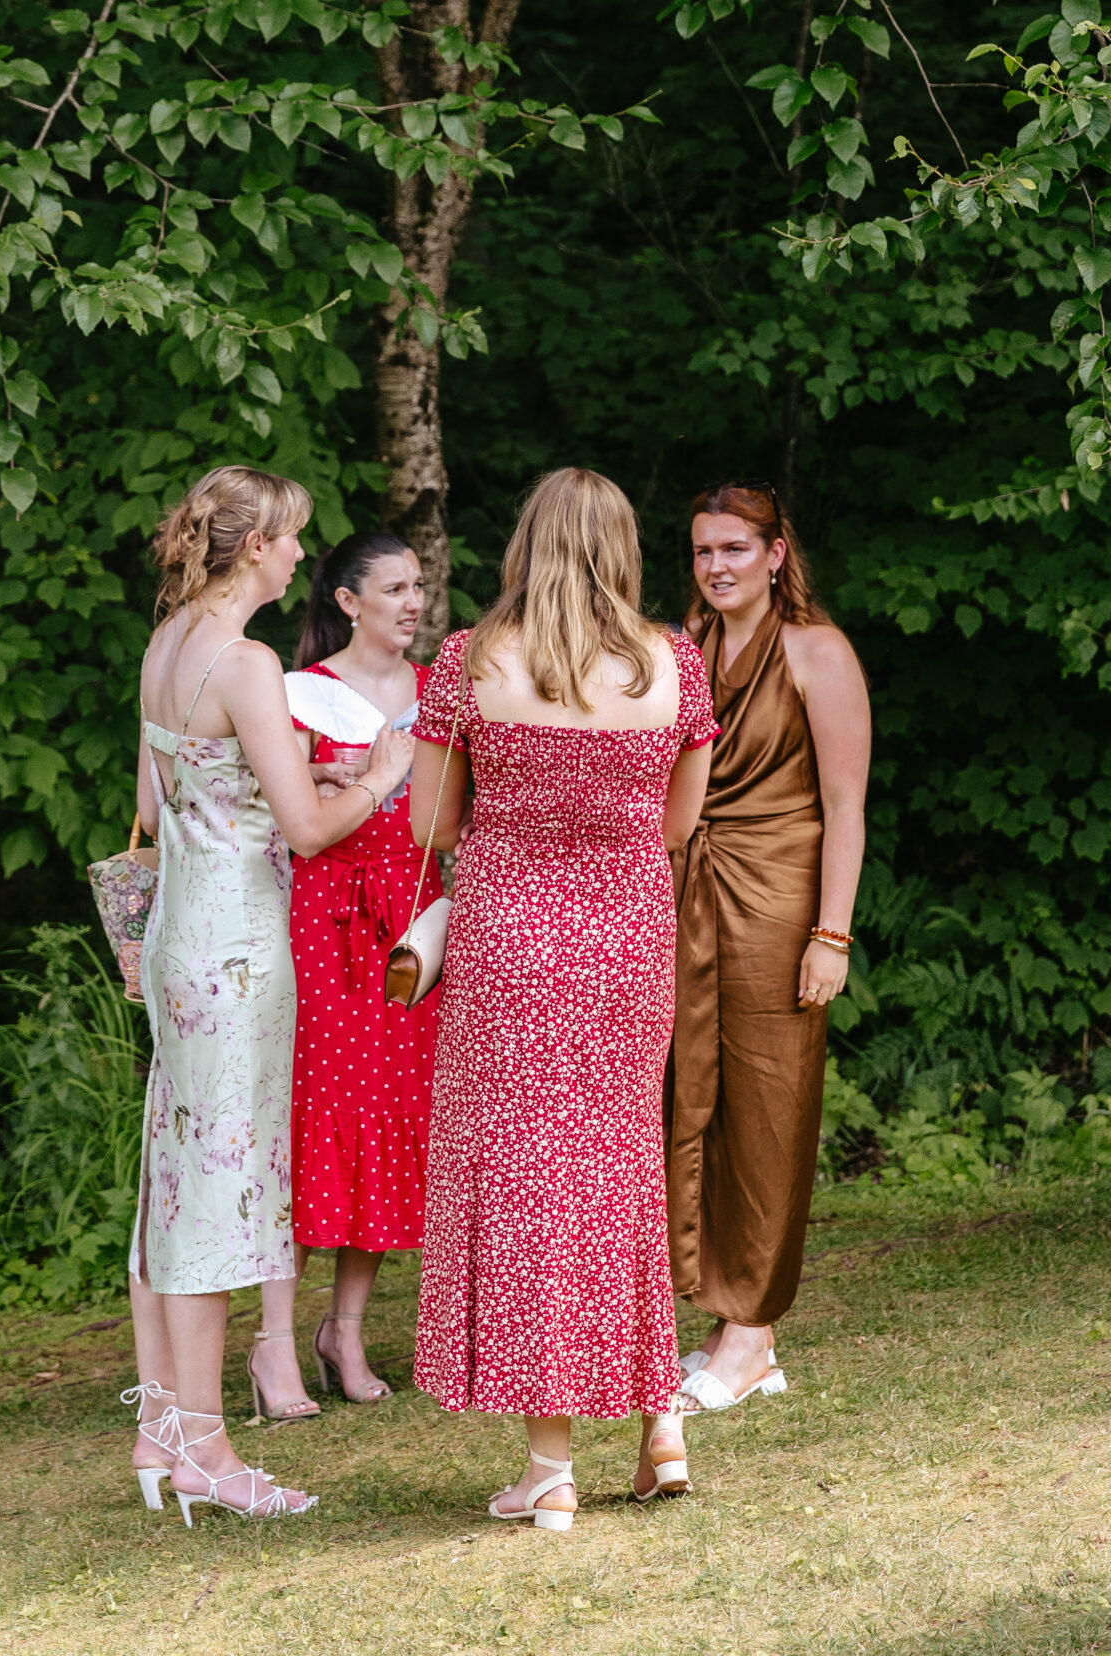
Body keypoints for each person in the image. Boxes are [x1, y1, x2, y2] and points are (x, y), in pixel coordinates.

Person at [407, 468, 718, 1530]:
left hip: (507, 938)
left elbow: (430, 821)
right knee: (619, 1164)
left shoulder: (469, 661)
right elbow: (677, 825)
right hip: (626, 935)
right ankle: (660, 1419)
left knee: (528, 1181)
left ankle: (549, 1467)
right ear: (622, 547)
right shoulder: (675, 664)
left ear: (525, 544)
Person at [120, 464, 413, 1523]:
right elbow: (307, 833)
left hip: (179, 936)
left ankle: (162, 1424)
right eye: (290, 537)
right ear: (255, 547)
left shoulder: (169, 643)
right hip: (236, 946)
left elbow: (171, 792)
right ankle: (205, 1450)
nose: (299, 555)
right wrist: (377, 776)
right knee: (216, 1190)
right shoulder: (245, 663)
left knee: (172, 1174)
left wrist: (298, 774)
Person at [667, 479, 870, 1419]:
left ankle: (753, 1332)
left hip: (780, 899)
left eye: (734, 549)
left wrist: (831, 933)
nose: (715, 567)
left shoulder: (817, 651)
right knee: (694, 1099)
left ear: (775, 554)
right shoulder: (684, 645)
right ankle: (727, 1318)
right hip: (688, 891)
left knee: (769, 1105)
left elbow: (845, 806)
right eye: (703, 551)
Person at [278, 532, 439, 1407]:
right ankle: (273, 1339)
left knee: (389, 1111)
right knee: (323, 1114)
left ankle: (344, 1329)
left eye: (418, 586)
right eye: (394, 588)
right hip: (327, 917)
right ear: (347, 602)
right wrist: (323, 772)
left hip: (411, 914)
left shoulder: (437, 691)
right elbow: (284, 820)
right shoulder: (299, 694)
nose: (413, 602)